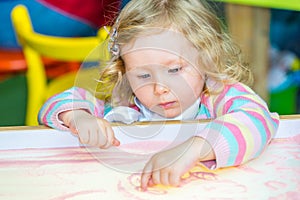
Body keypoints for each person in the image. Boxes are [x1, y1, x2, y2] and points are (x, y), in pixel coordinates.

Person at [38, 0, 279, 191]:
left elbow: (259, 119)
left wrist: (194, 149)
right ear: (125, 71)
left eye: (174, 70)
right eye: (143, 76)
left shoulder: (218, 94)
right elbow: (58, 104)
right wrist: (79, 117)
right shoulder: (127, 106)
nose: (160, 88)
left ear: (207, 56)